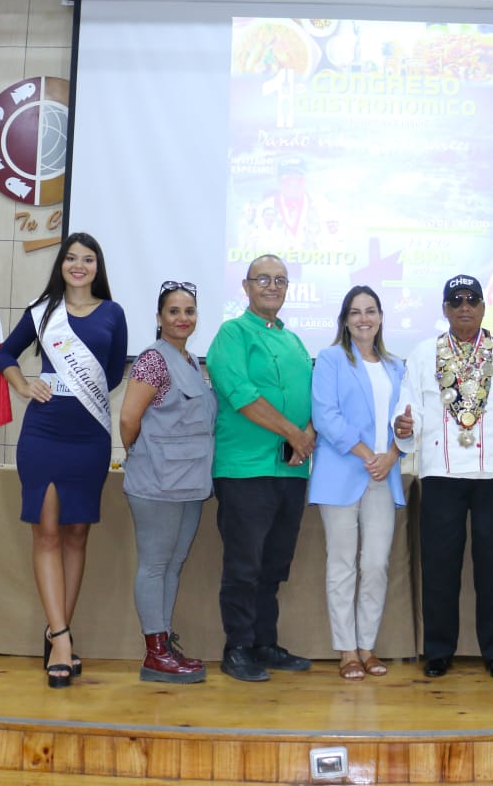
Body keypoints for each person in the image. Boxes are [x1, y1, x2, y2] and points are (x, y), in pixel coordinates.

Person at [0, 232, 128, 688]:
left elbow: (112, 373)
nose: (79, 266)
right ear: (62, 265)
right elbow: (5, 354)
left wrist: (81, 389)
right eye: (71, 258)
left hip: (89, 432)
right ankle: (65, 640)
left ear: (98, 266)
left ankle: (56, 634)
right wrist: (22, 384)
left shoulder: (113, 313)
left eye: (88, 259)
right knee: (47, 531)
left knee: (76, 534)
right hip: (45, 432)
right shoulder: (43, 311)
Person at [393, 274, 493, 681]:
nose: (464, 308)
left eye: (471, 299)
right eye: (455, 301)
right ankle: (438, 650)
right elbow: (410, 409)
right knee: (439, 564)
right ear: (444, 309)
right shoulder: (424, 353)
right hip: (441, 472)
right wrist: (403, 425)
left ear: (482, 306)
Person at [205, 254, 316, 682]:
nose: (272, 286)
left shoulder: (295, 342)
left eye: (281, 280)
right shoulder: (231, 334)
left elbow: (314, 397)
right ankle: (237, 647)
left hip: (290, 470)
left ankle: (264, 643)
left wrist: (306, 435)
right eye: (263, 279)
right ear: (247, 286)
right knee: (243, 563)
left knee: (274, 564)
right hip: (244, 469)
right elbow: (240, 392)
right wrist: (294, 432)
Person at [308, 286, 406, 681]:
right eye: (355, 312)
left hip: (385, 474)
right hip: (342, 474)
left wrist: (393, 455)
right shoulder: (331, 359)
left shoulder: (397, 366)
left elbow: (409, 418)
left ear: (381, 317)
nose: (363, 318)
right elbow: (326, 416)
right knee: (343, 564)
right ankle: (347, 650)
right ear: (345, 320)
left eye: (370, 311)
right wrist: (369, 455)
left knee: (377, 564)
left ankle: (368, 646)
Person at [119, 280, 214, 685]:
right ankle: (154, 652)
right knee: (155, 566)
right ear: (159, 319)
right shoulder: (152, 361)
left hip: (189, 483)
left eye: (189, 311)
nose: (182, 318)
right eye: (174, 311)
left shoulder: (191, 361)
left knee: (172, 566)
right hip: (157, 482)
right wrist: (140, 454)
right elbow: (128, 420)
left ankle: (163, 644)